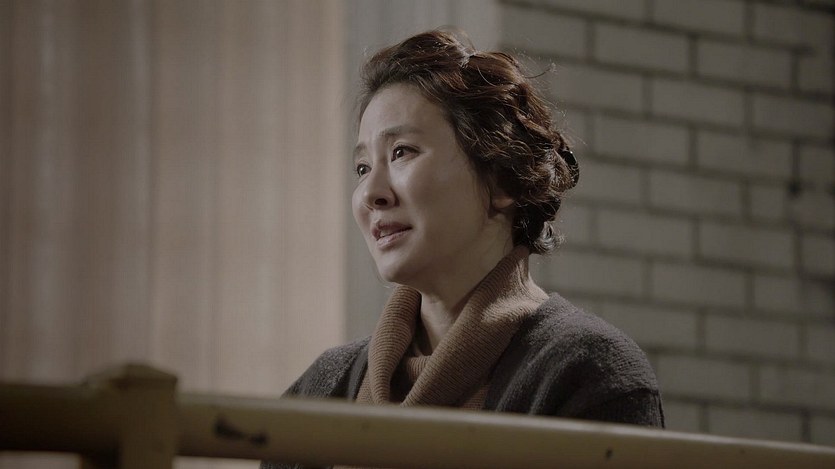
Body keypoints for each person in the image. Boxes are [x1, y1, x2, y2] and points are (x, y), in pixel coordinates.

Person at [262, 29, 663, 469]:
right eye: (362, 167)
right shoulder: (321, 388)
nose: (371, 193)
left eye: (401, 152)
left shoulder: (589, 374)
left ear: (501, 177)